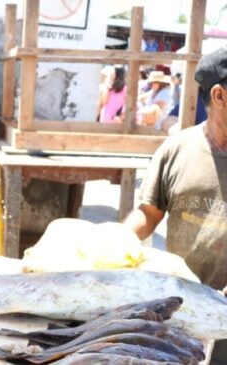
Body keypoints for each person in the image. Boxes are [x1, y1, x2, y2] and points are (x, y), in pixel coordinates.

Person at [124, 46, 227, 364]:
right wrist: (116, 244)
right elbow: (148, 215)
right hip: (179, 308)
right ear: (219, 95)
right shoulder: (176, 149)